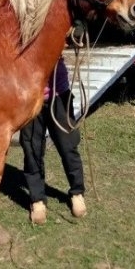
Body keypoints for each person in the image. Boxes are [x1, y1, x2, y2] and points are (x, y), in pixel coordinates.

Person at [19, 56, 87, 224]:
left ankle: (77, 193)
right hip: (30, 97)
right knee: (32, 149)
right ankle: (37, 199)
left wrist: (76, 30)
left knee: (68, 146)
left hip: (59, 95)